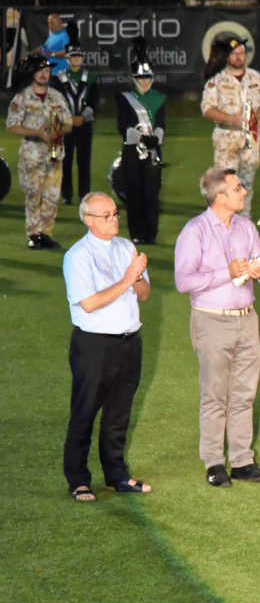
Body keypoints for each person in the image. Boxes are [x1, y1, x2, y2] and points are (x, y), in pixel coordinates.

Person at [174, 167, 260, 487]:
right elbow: (182, 281)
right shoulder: (195, 231)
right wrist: (226, 273)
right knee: (215, 394)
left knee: (245, 394)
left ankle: (243, 460)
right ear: (219, 197)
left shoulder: (246, 227)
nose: (244, 192)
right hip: (211, 319)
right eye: (237, 188)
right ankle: (214, 462)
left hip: (247, 319)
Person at [62, 192, 152, 502]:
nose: (114, 219)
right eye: (106, 215)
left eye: (115, 213)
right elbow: (89, 303)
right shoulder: (78, 256)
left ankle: (116, 475)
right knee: (85, 412)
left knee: (119, 413)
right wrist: (129, 278)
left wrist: (137, 276)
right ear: (88, 220)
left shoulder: (127, 247)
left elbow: (144, 293)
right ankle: (78, 479)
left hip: (129, 341)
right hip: (94, 344)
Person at [200, 36, 260, 218]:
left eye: (241, 53)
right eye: (234, 53)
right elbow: (207, 109)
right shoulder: (217, 80)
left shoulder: (256, 77)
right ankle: (223, 224)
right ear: (227, 57)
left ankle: (244, 225)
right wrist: (231, 118)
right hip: (227, 140)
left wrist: (255, 117)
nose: (239, 56)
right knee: (225, 186)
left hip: (251, 140)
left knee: (246, 185)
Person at [6, 53, 71, 250]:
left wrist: (56, 129)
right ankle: (33, 234)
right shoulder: (23, 98)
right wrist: (37, 132)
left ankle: (46, 234)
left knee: (51, 196)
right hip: (32, 153)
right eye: (40, 71)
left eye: (47, 70)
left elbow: (68, 124)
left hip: (54, 152)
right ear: (33, 74)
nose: (44, 74)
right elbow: (12, 126)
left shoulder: (57, 97)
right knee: (33, 194)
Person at [116, 37, 165, 245]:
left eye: (147, 78)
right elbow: (122, 127)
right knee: (134, 192)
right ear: (134, 78)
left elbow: (162, 124)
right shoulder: (124, 98)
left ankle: (151, 233)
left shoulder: (159, 97)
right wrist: (142, 138)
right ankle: (137, 232)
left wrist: (156, 139)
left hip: (153, 151)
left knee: (151, 194)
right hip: (132, 152)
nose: (144, 82)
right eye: (140, 78)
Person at [51, 22, 97, 207]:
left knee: (84, 161)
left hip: (84, 125)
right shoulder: (58, 78)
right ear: (68, 59)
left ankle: (84, 194)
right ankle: (67, 194)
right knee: (66, 160)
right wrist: (69, 119)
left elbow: (94, 102)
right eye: (72, 56)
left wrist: (82, 117)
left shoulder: (91, 78)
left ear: (82, 58)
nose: (76, 59)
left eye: (78, 56)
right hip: (65, 126)